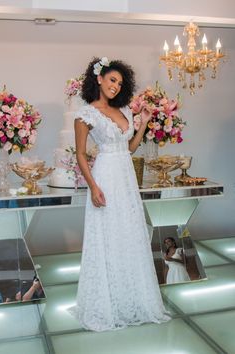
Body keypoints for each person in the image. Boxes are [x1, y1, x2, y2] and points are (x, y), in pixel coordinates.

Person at [71, 56, 170, 331]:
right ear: (99, 79)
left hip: (126, 177)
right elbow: (80, 154)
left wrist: (144, 124)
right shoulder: (86, 114)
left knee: (130, 233)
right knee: (108, 234)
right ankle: (107, 303)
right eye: (112, 80)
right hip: (105, 176)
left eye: (120, 82)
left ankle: (132, 299)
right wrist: (93, 187)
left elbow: (129, 149)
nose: (115, 86)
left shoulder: (125, 110)